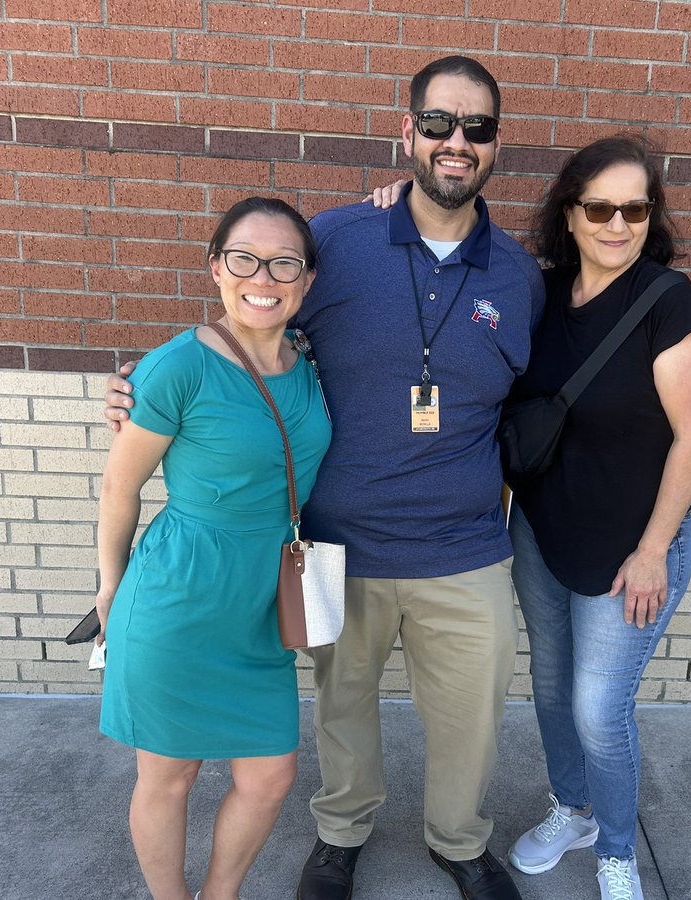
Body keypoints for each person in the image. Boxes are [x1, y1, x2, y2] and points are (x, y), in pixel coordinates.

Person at [105, 56, 545, 900]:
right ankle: (342, 832)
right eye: (440, 123)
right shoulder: (338, 240)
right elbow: (253, 316)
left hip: (464, 543)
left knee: (471, 719)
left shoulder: (519, 277)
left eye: (477, 127)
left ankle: (459, 840)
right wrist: (146, 388)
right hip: (338, 542)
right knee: (343, 709)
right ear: (407, 132)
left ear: (495, 145)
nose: (457, 141)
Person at [503, 135, 691, 900]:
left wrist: (657, 549)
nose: (617, 223)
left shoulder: (670, 303)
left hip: (634, 544)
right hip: (542, 527)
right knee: (552, 685)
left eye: (635, 208)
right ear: (570, 213)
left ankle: (618, 850)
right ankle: (575, 809)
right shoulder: (543, 293)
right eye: (600, 207)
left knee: (600, 707)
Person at [96, 197, 331, 900]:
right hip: (180, 598)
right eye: (244, 259)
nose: (264, 275)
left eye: (285, 261)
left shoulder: (311, 361)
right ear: (216, 270)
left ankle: (219, 894)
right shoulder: (177, 368)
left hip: (262, 602)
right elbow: (119, 488)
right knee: (169, 775)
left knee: (270, 776)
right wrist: (110, 586)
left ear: (307, 280)